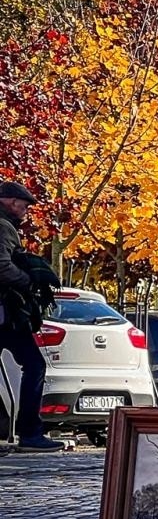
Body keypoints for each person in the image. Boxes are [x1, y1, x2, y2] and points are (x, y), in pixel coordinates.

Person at [0, 181, 64, 452]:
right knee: (35, 365)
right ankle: (30, 433)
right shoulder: (3, 227)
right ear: (11, 201)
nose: (25, 212)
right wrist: (28, 281)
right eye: (24, 206)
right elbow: (2, 266)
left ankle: (27, 432)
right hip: (5, 315)